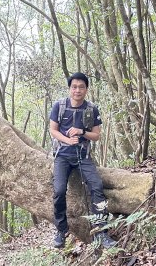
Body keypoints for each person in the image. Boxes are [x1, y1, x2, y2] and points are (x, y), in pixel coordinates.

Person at [49, 72, 117, 249]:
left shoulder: (91, 109)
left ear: (86, 89)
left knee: (96, 186)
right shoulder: (59, 106)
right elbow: (53, 130)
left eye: (81, 87)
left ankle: (101, 231)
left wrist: (81, 132)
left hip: (83, 155)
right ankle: (61, 230)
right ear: (70, 88)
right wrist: (67, 140)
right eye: (74, 87)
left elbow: (96, 136)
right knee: (58, 190)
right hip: (62, 156)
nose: (77, 90)